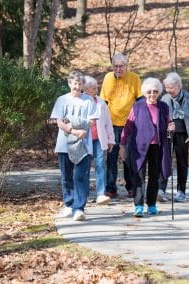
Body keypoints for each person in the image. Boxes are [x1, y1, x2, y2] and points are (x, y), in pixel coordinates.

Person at [119, 78, 173, 217]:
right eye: (149, 92)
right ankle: (138, 205)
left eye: (155, 91)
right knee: (138, 176)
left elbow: (169, 124)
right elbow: (128, 126)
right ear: (144, 92)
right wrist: (122, 144)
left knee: (154, 176)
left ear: (159, 92)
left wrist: (171, 127)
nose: (152, 94)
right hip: (139, 146)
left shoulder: (163, 107)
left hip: (157, 146)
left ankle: (152, 204)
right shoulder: (137, 106)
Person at [51, 70, 99, 221]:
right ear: (69, 84)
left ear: (83, 85)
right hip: (64, 144)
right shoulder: (62, 100)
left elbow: (92, 121)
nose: (77, 86)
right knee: (67, 176)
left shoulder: (88, 101)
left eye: (79, 83)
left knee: (80, 177)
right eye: (74, 83)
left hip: (83, 145)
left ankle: (79, 208)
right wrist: (73, 130)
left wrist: (78, 128)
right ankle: (69, 204)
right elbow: (59, 121)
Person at [100, 53, 142, 198]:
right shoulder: (107, 78)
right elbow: (103, 102)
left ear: (126, 65)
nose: (118, 69)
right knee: (111, 157)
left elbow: (141, 100)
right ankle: (111, 188)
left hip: (130, 124)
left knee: (128, 157)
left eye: (121, 66)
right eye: (116, 66)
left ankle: (131, 186)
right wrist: (102, 124)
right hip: (111, 124)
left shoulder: (134, 78)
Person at [158, 72, 189, 203]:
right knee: (164, 160)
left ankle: (181, 191)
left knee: (182, 162)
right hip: (167, 134)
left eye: (171, 88)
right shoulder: (164, 99)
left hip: (183, 134)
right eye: (167, 88)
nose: (168, 90)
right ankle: (161, 189)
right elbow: (159, 117)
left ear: (179, 86)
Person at [83, 75, 115, 205]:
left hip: (99, 140)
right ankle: (82, 194)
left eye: (96, 87)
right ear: (86, 90)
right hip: (85, 139)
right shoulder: (81, 102)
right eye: (93, 88)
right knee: (83, 167)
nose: (96, 89)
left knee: (100, 165)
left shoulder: (101, 102)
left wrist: (111, 140)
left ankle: (101, 194)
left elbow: (108, 122)